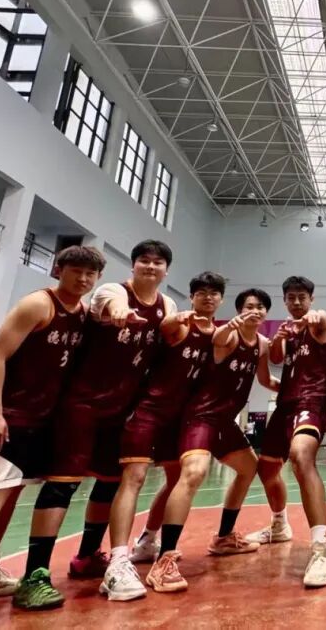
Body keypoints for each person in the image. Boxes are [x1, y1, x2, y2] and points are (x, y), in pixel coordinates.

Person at [0, 247, 105, 630]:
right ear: (58, 269)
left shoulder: (82, 314)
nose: (83, 279)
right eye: (76, 270)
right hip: (12, 418)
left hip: (44, 422)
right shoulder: (38, 305)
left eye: (91, 274)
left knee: (9, 494)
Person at [16, 240, 175, 611]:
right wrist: (119, 313)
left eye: (158, 262)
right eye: (144, 260)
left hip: (122, 410)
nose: (151, 267)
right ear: (134, 265)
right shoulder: (112, 291)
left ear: (166, 270)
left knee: (109, 483)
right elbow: (110, 304)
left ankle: (87, 556)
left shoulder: (167, 305)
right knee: (62, 484)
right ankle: (35, 574)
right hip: (82, 404)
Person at [99, 271, 225, 601]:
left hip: (179, 418)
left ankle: (147, 540)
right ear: (192, 297)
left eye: (214, 293)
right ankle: (118, 560)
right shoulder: (179, 323)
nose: (208, 297)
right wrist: (172, 320)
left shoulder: (218, 336)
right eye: (201, 292)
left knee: (175, 481)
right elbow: (167, 327)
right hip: (150, 410)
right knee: (134, 477)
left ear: (221, 299)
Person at [142, 288, 275, 593]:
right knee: (194, 473)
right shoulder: (228, 335)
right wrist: (230, 326)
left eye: (260, 307)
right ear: (239, 310)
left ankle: (224, 537)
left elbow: (266, 380)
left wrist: (299, 391)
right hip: (201, 416)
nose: (255, 311)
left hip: (225, 421)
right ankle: (164, 559)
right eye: (249, 306)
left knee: (249, 468)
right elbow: (219, 341)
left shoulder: (263, 344)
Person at [245, 276, 326, 588]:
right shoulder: (287, 332)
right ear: (284, 301)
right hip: (285, 404)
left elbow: (321, 319)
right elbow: (274, 359)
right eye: (291, 298)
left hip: (312, 402)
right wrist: (279, 338)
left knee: (300, 456)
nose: (297, 302)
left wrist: (313, 317)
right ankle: (279, 524)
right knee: (266, 468)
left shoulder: (319, 323)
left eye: (302, 297)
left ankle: (321, 549)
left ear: (311, 299)